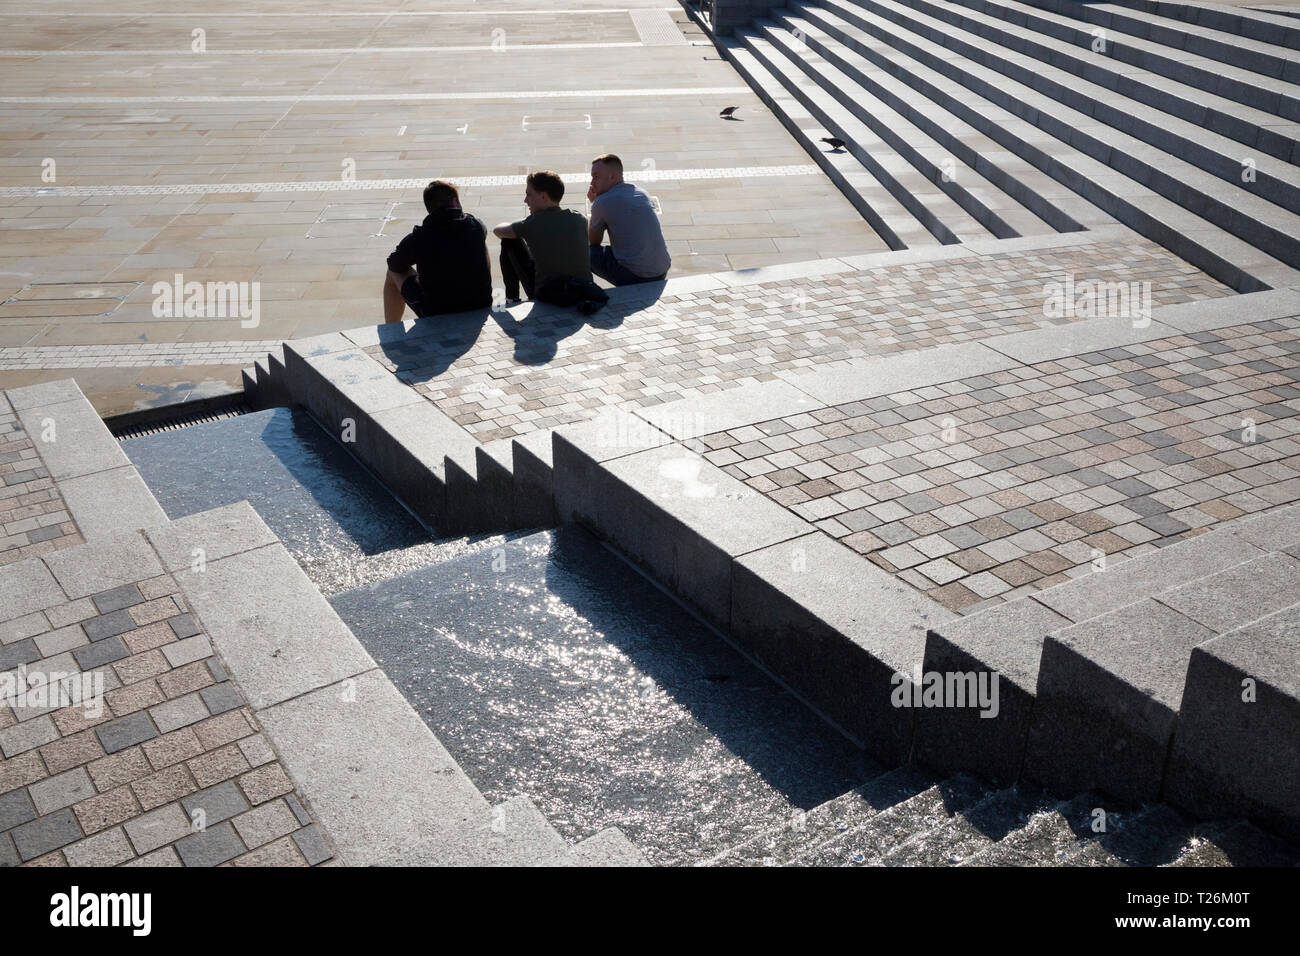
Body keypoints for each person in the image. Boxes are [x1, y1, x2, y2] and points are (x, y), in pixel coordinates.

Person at [383, 180, 492, 323]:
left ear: (429, 208)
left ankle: (391, 329)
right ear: (455, 202)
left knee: (392, 273)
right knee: (480, 241)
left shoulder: (420, 236)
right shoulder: (476, 226)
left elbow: (394, 264)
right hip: (479, 305)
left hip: (437, 312)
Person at [492, 170, 596, 308]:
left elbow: (497, 231)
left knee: (509, 240)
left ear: (543, 196)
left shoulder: (531, 223)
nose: (525, 200)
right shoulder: (580, 219)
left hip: (549, 293)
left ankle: (511, 299)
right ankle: (511, 299)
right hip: (584, 289)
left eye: (529, 194)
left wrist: (522, 227)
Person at [586, 154, 671, 286]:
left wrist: (594, 204)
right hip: (661, 270)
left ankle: (583, 289)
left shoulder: (602, 202)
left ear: (612, 177)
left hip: (636, 277)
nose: (592, 183)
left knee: (585, 252)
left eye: (596, 177)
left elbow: (594, 241)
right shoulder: (642, 193)